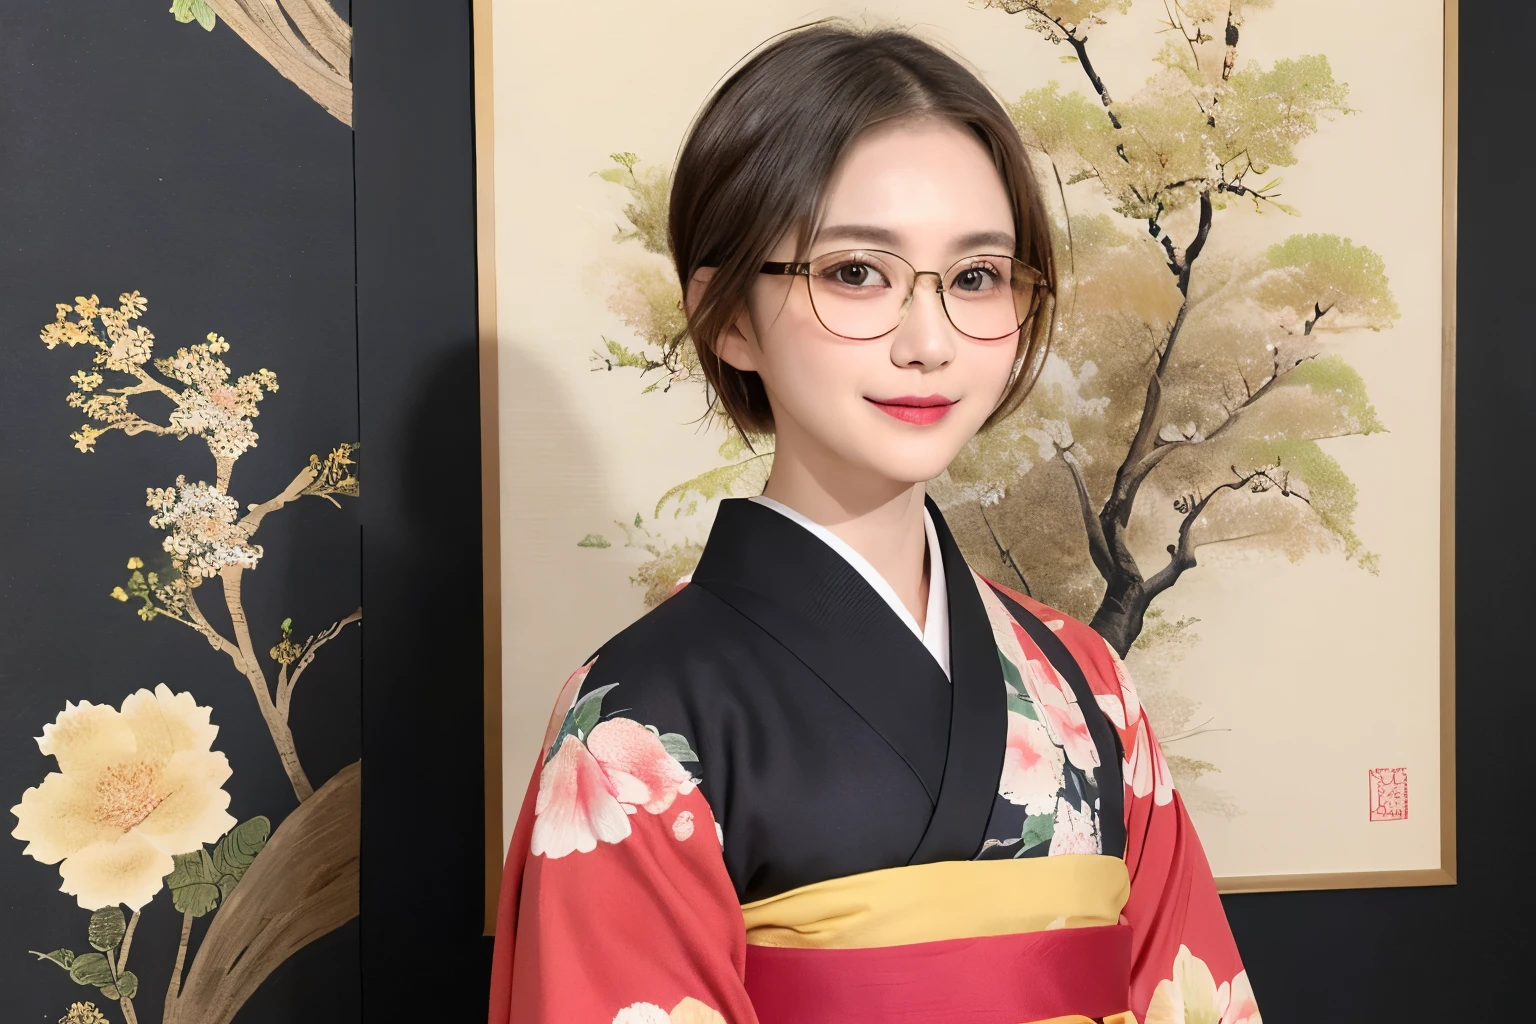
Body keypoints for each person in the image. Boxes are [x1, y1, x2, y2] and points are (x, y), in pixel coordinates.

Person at [488, 19, 1257, 1024]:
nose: (929, 340)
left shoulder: (1086, 683)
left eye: (977, 277)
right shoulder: (635, 721)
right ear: (726, 315)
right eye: (857, 272)